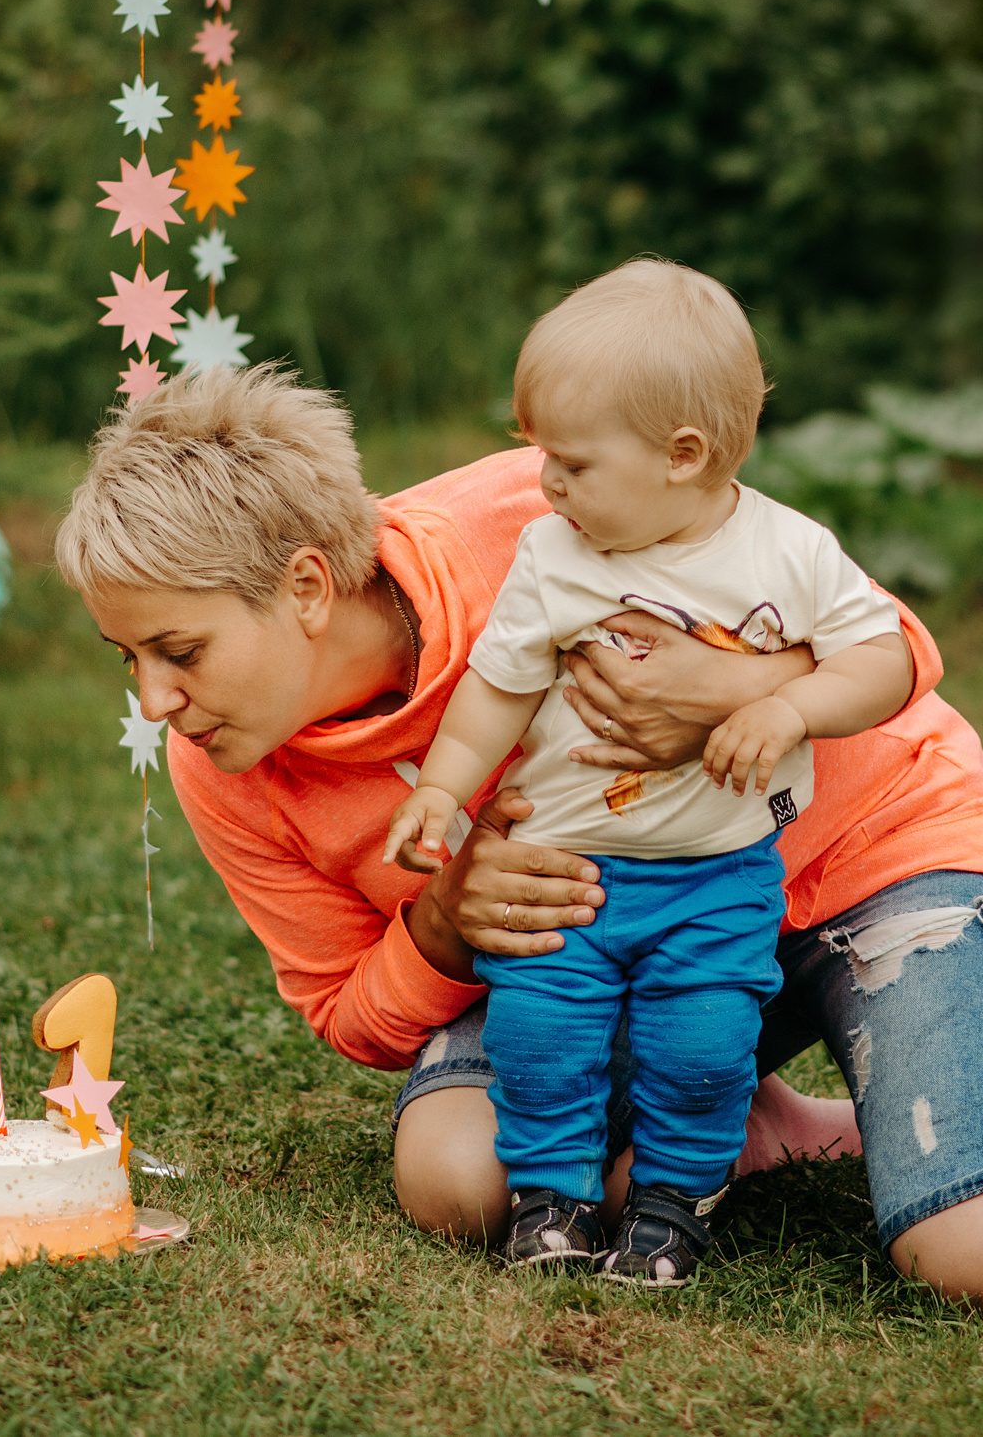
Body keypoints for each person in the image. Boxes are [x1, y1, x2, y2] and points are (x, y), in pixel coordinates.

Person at [55, 359, 983, 1308]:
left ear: (311, 588)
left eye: (181, 651)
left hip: (867, 865)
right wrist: (438, 925)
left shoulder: (536, 520)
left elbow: (898, 646)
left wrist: (737, 689)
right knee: (458, 1177)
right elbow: (345, 1008)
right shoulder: (229, 769)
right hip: (618, 950)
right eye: (133, 659)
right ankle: (737, 1109)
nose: (156, 699)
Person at [381, 261, 916, 1284]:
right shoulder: (553, 555)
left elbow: (884, 657)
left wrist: (784, 702)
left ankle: (675, 1200)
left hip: (717, 877)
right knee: (542, 1037)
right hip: (566, 870)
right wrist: (444, 786)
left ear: (684, 455)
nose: (547, 485)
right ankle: (554, 1201)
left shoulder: (788, 553)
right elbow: (496, 688)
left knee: (705, 1040)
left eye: (574, 464)